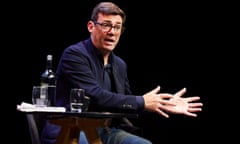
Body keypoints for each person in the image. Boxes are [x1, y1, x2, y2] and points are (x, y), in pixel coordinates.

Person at [41, 2, 203, 144]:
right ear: (91, 26)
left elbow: (123, 103)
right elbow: (96, 95)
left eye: (117, 27)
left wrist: (161, 104)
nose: (112, 32)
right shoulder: (74, 55)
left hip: (104, 130)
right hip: (71, 130)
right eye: (106, 25)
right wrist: (141, 101)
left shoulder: (119, 64)